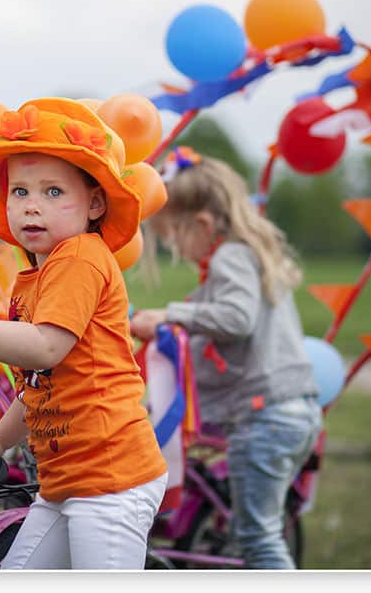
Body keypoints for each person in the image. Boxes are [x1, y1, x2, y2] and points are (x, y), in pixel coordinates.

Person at [0, 98, 168, 569]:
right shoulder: (37, 276)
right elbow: (39, 384)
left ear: (94, 204)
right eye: (20, 192)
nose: (31, 206)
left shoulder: (81, 257)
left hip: (111, 477)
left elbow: (46, 347)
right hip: (65, 481)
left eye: (51, 192)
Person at [130, 148, 322, 570]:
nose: (175, 247)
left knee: (259, 540)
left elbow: (236, 319)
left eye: (173, 236)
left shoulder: (230, 257)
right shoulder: (243, 258)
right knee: (254, 532)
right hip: (287, 412)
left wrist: (170, 314)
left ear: (201, 223)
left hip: (265, 419)